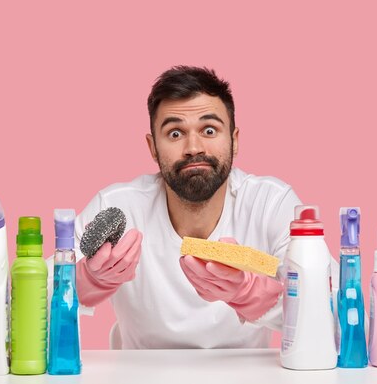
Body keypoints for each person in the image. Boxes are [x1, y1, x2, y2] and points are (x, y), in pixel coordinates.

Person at [68, 66, 338, 349]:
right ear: (152, 147)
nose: (193, 147)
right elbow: (30, 299)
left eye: (209, 130)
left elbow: (339, 318)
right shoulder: (118, 205)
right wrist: (85, 283)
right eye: (175, 133)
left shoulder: (271, 203)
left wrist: (254, 296)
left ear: (234, 140)